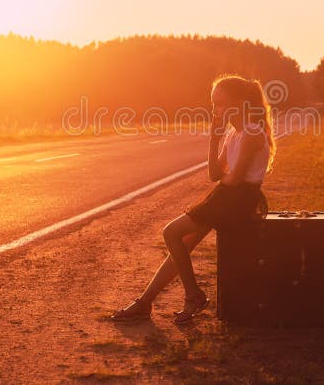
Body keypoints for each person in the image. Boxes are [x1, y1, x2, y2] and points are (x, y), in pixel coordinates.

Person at [110, 74, 276, 324]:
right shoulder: (233, 132)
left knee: (171, 233)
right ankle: (145, 303)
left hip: (239, 199)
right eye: (213, 104)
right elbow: (214, 175)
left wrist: (223, 178)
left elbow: (233, 180)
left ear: (240, 102)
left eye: (220, 103)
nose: (215, 110)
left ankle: (193, 295)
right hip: (227, 196)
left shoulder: (252, 133)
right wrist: (214, 138)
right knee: (181, 244)